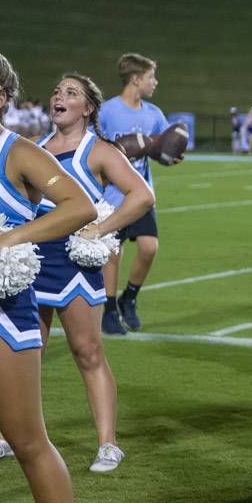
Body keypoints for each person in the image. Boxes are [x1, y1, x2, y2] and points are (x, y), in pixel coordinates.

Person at [0, 49, 100, 503]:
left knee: (26, 437)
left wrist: (9, 238)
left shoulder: (18, 153)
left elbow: (80, 205)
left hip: (1, 312)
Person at [13, 73, 153, 474]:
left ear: (88, 108)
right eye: (57, 90)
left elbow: (143, 195)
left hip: (74, 266)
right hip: (31, 263)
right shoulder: (33, 148)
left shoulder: (99, 151)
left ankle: (108, 444)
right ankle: (11, 436)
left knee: (88, 352)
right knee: (23, 354)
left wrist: (100, 229)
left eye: (70, 93)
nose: (59, 96)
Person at [98, 53, 180, 335]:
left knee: (149, 247)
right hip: (111, 197)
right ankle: (109, 309)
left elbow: (161, 148)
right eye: (150, 78)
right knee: (113, 252)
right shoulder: (107, 111)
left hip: (141, 195)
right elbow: (95, 147)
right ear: (136, 79)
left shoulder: (153, 113)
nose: (154, 82)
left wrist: (170, 155)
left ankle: (128, 298)